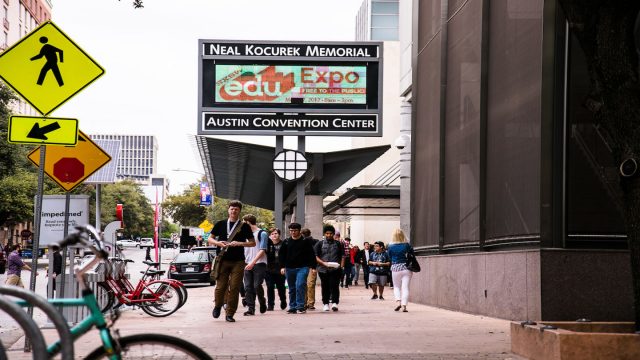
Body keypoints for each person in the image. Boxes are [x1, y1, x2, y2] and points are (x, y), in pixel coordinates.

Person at [208, 200, 255, 322]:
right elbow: (210, 239)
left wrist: (240, 243)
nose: (234, 211)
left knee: (235, 287)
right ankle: (218, 305)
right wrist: (218, 243)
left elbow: (252, 243)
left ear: (239, 211)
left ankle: (230, 313)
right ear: (228, 210)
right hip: (223, 260)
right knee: (220, 287)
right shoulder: (220, 224)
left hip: (238, 261)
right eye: (232, 209)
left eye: (236, 209)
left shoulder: (244, 226)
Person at [279, 223, 316, 314]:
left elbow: (311, 254)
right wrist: (282, 267)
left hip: (302, 267)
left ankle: (300, 305)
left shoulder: (305, 241)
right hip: (289, 268)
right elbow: (281, 255)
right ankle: (292, 306)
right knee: (291, 288)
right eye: (291, 230)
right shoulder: (286, 241)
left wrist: (313, 267)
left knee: (300, 285)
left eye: (295, 230)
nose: (293, 232)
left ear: (299, 231)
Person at [242, 214, 268, 316]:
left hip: (259, 263)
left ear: (248, 222)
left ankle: (262, 301)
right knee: (248, 287)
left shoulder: (262, 234)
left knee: (257, 286)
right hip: (246, 263)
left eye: (244, 223)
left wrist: (253, 262)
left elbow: (262, 250)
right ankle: (250, 309)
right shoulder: (244, 235)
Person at [314, 225, 345, 312]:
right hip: (323, 269)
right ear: (324, 234)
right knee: (325, 286)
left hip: (335, 269)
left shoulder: (338, 244)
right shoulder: (320, 244)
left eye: (330, 233)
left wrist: (341, 266)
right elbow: (315, 256)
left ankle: (335, 303)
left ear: (333, 234)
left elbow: (343, 256)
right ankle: (325, 304)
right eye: (327, 233)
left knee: (334, 285)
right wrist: (323, 263)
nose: (329, 235)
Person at [387, 229, 414, 312]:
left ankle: (398, 303)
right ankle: (404, 306)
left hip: (395, 268)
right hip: (406, 267)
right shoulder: (407, 245)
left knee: (396, 287)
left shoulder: (390, 246)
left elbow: (389, 257)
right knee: (405, 287)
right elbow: (412, 254)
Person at [265, 228, 287, 311]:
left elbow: (286, 256)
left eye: (276, 233)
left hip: (280, 268)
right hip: (269, 269)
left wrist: (284, 266)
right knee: (270, 286)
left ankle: (283, 300)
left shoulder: (283, 244)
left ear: (279, 234)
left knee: (281, 287)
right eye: (272, 234)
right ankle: (270, 305)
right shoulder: (267, 244)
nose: (274, 235)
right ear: (270, 235)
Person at [301, 228, 319, 310]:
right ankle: (307, 303)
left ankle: (309, 303)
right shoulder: (301, 242)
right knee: (308, 284)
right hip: (305, 265)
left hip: (311, 265)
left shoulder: (315, 242)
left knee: (309, 284)